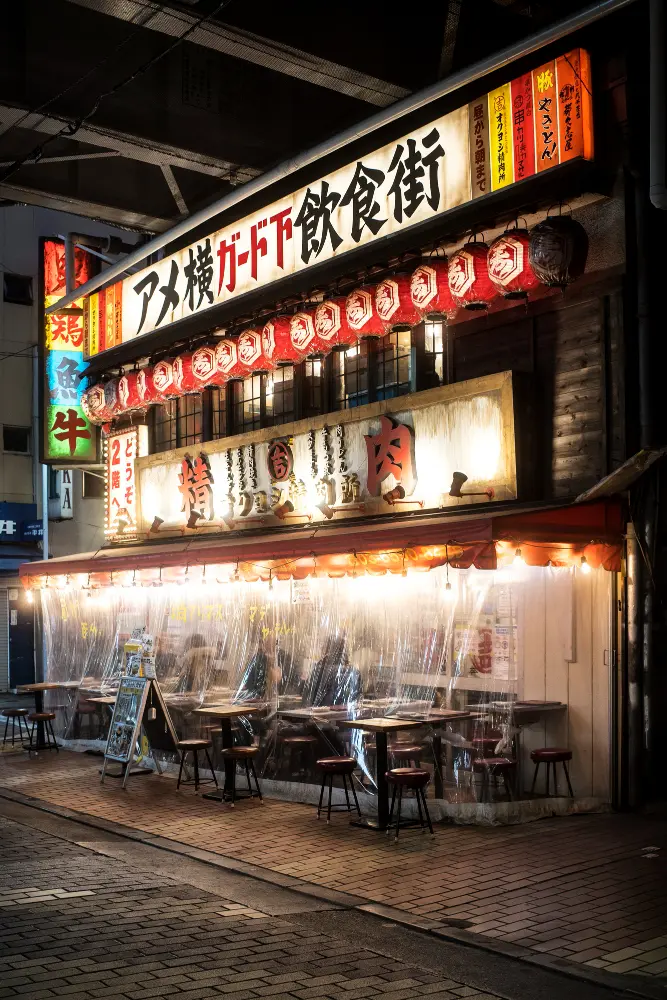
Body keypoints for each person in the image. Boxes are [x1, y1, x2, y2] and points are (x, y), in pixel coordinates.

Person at [302, 635, 362, 708]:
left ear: (327, 649)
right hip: (347, 715)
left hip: (322, 714)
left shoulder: (321, 669)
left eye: (323, 647)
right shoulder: (354, 671)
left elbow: (308, 695)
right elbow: (358, 698)